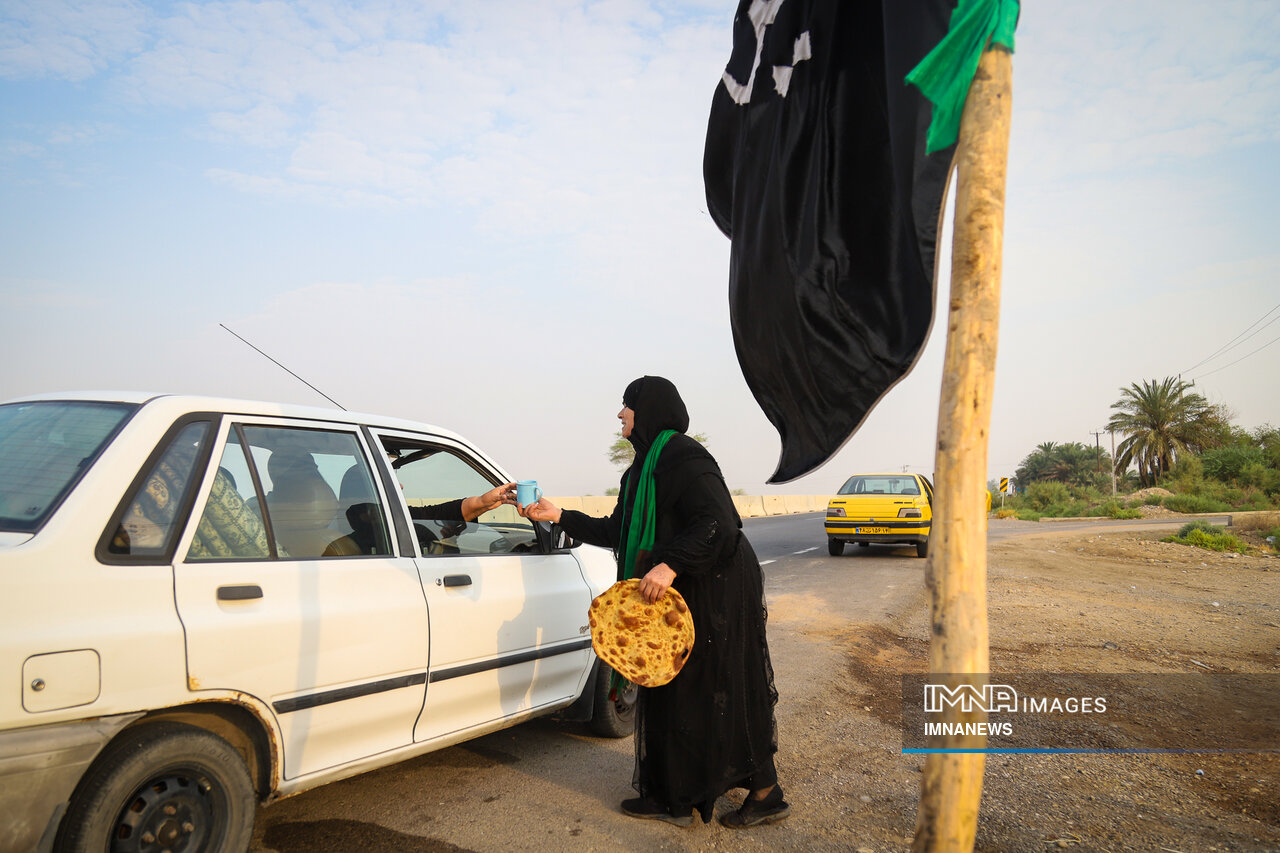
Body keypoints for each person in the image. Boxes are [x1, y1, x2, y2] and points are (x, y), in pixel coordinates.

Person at [522, 376, 788, 828]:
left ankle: (765, 792)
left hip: (714, 584)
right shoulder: (640, 471)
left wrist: (670, 564)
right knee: (671, 690)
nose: (620, 414)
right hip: (675, 587)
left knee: (717, 686)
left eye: (626, 405)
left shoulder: (685, 456)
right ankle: (674, 797)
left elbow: (719, 523)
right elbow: (617, 530)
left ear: (648, 410)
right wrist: (560, 515)